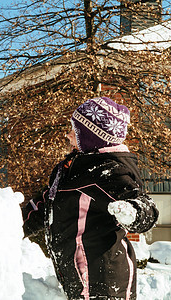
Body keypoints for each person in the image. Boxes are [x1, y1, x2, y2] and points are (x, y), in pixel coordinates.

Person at [22, 97, 159, 300]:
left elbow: (146, 207)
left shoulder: (110, 170)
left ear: (91, 136)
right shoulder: (71, 169)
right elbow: (43, 205)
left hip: (105, 283)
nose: (68, 135)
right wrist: (10, 225)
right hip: (77, 276)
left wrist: (133, 211)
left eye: (74, 131)